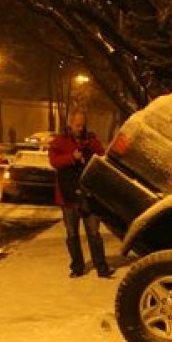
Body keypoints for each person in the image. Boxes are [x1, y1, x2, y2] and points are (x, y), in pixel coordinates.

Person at [48, 110, 114, 278]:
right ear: (70, 124)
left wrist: (90, 156)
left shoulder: (90, 140)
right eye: (77, 125)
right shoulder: (59, 141)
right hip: (68, 196)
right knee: (72, 233)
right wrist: (71, 157)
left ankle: (102, 267)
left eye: (82, 124)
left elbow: (101, 157)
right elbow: (54, 162)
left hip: (88, 195)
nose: (80, 128)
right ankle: (77, 267)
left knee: (93, 232)